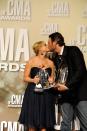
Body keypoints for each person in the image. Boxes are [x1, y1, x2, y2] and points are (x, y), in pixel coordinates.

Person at [47, 32, 87, 131]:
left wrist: (67, 86)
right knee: (65, 124)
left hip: (79, 94)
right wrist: (53, 83)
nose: (47, 45)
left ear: (55, 42)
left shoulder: (73, 50)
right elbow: (59, 76)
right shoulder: (55, 58)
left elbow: (80, 70)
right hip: (65, 95)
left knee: (85, 124)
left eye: (49, 42)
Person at [18, 41, 56, 131]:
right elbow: (25, 78)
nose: (47, 46)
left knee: (44, 123)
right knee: (32, 124)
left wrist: (51, 80)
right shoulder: (31, 61)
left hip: (46, 93)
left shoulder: (51, 63)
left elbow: (53, 77)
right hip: (33, 93)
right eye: (45, 45)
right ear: (39, 48)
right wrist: (33, 80)